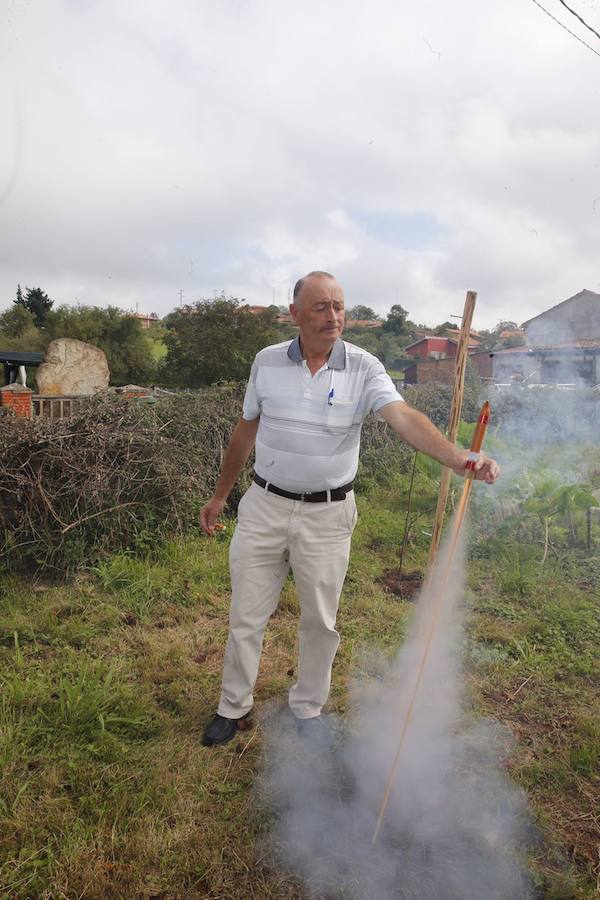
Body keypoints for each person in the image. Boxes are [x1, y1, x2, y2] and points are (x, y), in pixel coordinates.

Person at [200, 271, 500, 746]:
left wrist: (459, 458)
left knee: (321, 619)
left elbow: (404, 418)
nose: (333, 316)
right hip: (264, 505)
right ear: (295, 314)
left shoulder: (364, 367)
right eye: (320, 307)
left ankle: (307, 709)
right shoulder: (267, 362)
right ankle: (233, 707)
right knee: (246, 613)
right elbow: (245, 430)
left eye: (339, 306)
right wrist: (220, 495)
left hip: (328, 513)